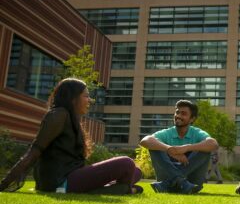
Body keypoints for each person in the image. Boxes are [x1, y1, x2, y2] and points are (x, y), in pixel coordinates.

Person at [0, 78, 142, 194]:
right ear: (72, 98)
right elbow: (34, 151)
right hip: (59, 181)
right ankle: (122, 189)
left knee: (136, 172)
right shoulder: (58, 115)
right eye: (86, 96)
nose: (90, 100)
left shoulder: (72, 118)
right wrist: (4, 183)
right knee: (126, 163)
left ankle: (119, 189)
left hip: (72, 176)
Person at [139, 100, 218, 194]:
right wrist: (169, 149)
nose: (178, 116)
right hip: (186, 186)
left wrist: (187, 148)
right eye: (177, 112)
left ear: (192, 119)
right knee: (155, 146)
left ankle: (170, 182)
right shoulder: (167, 133)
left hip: (191, 183)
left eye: (183, 113)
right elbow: (145, 140)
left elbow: (214, 144)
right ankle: (180, 182)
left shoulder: (197, 133)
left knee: (204, 148)